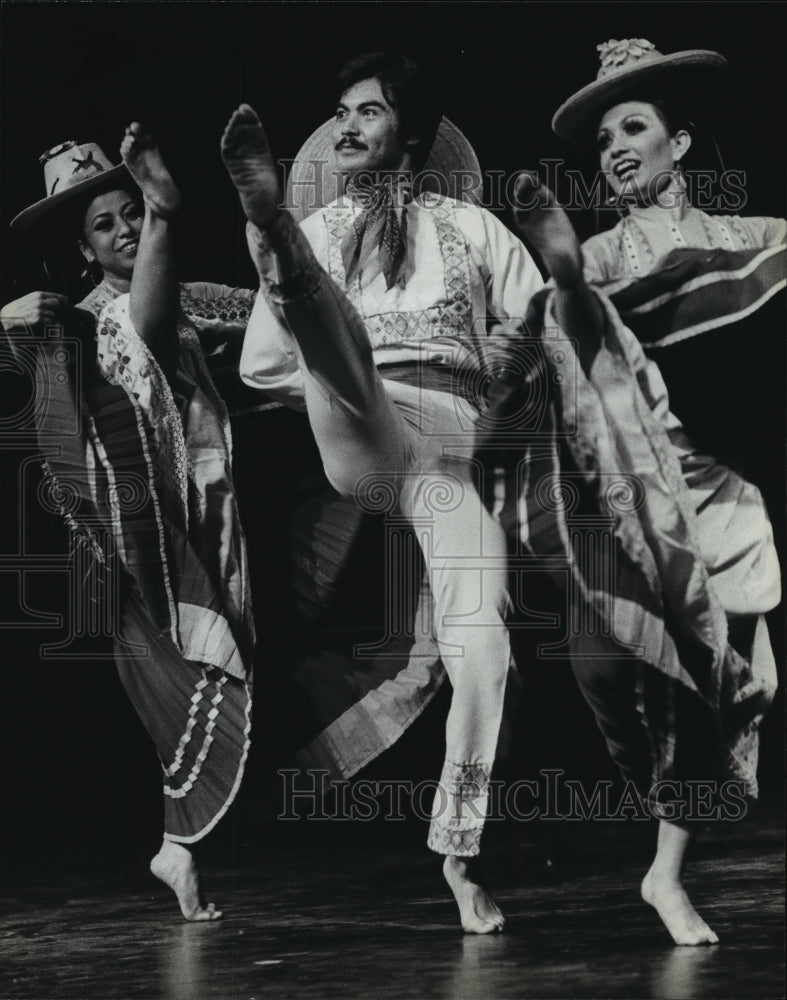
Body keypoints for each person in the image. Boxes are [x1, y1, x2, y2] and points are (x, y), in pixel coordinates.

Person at [223, 51, 544, 933]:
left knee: (485, 650)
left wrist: (504, 378)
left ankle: (457, 853)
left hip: (444, 463)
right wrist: (330, 384)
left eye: (368, 110)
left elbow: (538, 322)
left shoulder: (476, 231)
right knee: (344, 355)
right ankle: (268, 233)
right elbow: (260, 366)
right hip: (362, 426)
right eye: (340, 112)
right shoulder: (327, 227)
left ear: (411, 130)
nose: (348, 125)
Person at [510, 39, 782, 945]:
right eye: (600, 141)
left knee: (716, 689)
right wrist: (565, 297)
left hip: (720, 491)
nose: (614, 147)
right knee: (606, 669)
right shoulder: (590, 256)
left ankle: (664, 876)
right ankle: (662, 853)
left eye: (633, 126)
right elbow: (557, 372)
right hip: (631, 491)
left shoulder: (758, 242)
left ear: (682, 142)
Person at [2, 129, 257, 920]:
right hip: (136, 518)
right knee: (195, 669)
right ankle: (177, 843)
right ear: (83, 249)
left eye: (131, 215)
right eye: (106, 224)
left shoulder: (192, 297)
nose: (121, 231)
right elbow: (121, 351)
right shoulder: (73, 322)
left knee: (232, 660)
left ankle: (179, 848)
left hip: (210, 497)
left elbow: (275, 319)